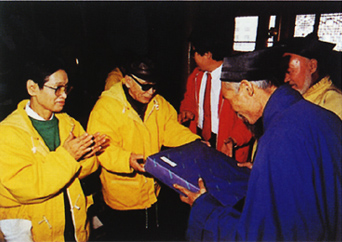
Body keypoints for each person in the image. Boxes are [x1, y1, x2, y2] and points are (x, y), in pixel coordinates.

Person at [174, 47, 342, 241]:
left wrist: (204, 207)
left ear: (247, 88)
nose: (234, 110)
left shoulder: (277, 138)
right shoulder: (322, 116)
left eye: (229, 99)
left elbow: (261, 234)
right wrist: (264, 173)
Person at [87, 57, 200, 241]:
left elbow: (169, 128)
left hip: (152, 192)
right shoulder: (106, 108)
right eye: (146, 87)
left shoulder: (158, 103)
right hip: (122, 199)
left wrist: (193, 141)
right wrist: (127, 160)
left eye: (155, 86)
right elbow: (103, 148)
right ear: (128, 81)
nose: (151, 92)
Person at [0, 56, 108, 242]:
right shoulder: (8, 132)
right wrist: (69, 156)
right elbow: (25, 187)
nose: (64, 95)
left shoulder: (69, 123)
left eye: (66, 88)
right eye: (57, 88)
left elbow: (84, 172)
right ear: (32, 88)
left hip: (74, 225)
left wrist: (88, 155)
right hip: (35, 230)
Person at [178, 28, 252, 162]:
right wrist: (187, 111)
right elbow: (189, 100)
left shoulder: (237, 81)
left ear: (207, 54)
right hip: (200, 138)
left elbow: (247, 120)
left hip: (227, 145)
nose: (192, 56)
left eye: (194, 52)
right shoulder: (196, 76)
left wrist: (233, 140)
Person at [282, 33, 342, 119]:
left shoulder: (334, 103)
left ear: (312, 66)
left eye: (290, 71)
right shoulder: (295, 95)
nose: (285, 79)